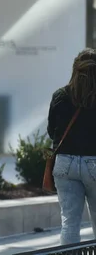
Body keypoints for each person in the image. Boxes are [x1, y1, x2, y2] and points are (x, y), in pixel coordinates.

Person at [47, 48, 96, 245]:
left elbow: (52, 132)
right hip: (94, 163)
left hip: (64, 164)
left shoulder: (60, 95)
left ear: (75, 70)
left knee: (69, 224)